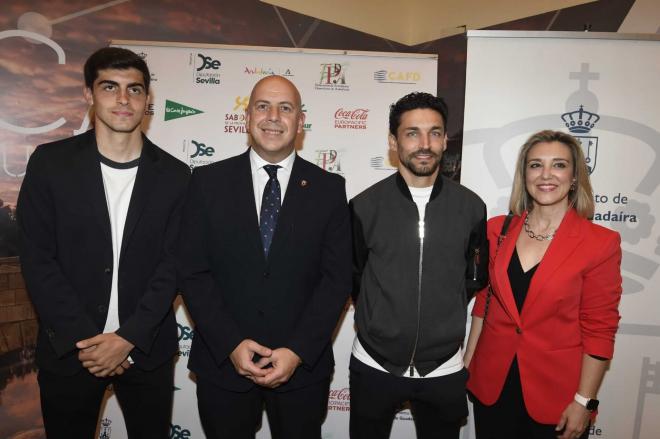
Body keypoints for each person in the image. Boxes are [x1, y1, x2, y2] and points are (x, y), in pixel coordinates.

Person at [17, 47, 190, 437]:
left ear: (148, 100)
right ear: (89, 94)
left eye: (135, 89)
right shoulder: (50, 164)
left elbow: (174, 265)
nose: (123, 100)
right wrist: (91, 343)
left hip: (146, 351)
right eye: (110, 87)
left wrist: (127, 338)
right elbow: (38, 259)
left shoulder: (177, 177)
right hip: (70, 351)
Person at [178, 75, 352, 439]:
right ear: (246, 117)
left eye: (285, 108)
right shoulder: (206, 182)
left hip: (301, 370)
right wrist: (230, 345)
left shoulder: (329, 189)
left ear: (300, 122)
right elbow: (193, 272)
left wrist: (298, 351)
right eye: (263, 106)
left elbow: (336, 280)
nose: (273, 116)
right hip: (223, 365)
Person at [464, 130, 622, 439]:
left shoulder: (600, 243)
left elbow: (600, 329)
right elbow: (484, 303)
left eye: (559, 165)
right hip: (492, 385)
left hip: (557, 395)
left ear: (574, 176)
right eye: (536, 165)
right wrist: (468, 365)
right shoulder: (496, 230)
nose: (546, 175)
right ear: (524, 174)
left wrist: (584, 401)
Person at [349, 92, 488, 439]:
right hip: (374, 362)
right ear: (394, 142)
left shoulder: (471, 208)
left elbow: (472, 280)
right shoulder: (364, 207)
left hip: (444, 366)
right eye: (412, 133)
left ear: (445, 140)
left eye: (435, 132)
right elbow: (354, 278)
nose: (424, 144)